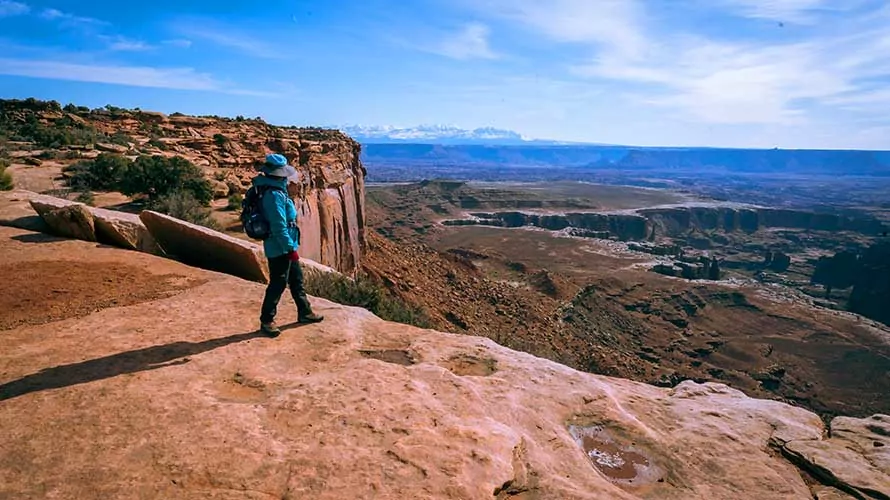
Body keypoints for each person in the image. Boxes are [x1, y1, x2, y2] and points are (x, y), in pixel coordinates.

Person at [254, 153, 323, 336]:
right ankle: (267, 320)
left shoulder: (276, 190)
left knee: (296, 280)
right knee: (278, 283)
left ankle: (305, 312)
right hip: (280, 247)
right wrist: (290, 249)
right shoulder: (273, 195)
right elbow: (278, 226)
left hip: (286, 244)